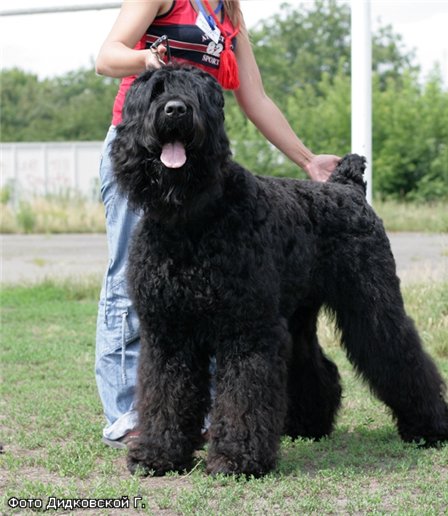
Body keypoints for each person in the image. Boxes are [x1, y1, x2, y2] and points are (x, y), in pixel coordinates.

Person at [94, 0, 341, 448]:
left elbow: (255, 98)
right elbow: (106, 56)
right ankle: (126, 415)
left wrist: (307, 160)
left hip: (194, 159)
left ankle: (202, 417)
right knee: (129, 289)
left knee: (210, 297)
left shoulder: (229, 13)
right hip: (144, 153)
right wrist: (148, 59)